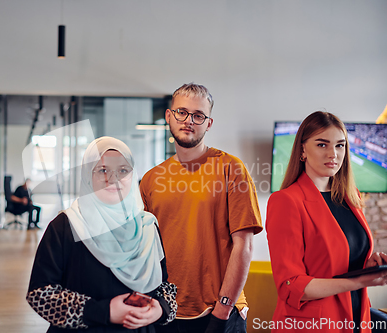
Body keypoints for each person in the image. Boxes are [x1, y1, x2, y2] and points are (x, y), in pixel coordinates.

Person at [140, 83, 263, 333]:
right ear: (169, 116)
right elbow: (148, 248)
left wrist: (223, 309)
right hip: (165, 310)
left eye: (198, 115)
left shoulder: (231, 168)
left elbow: (244, 245)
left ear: (208, 123)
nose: (189, 121)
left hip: (218, 313)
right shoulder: (151, 179)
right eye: (182, 112)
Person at [27, 137, 177, 332]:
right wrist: (102, 311)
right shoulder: (66, 225)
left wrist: (160, 309)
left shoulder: (147, 226)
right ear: (89, 176)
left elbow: (164, 286)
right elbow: (40, 295)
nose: (113, 178)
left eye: (123, 170)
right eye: (103, 170)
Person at [266, 111, 387, 333]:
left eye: (340, 145)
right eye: (322, 145)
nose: (333, 154)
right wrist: (361, 281)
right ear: (302, 150)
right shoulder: (286, 201)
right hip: (314, 325)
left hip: (357, 317)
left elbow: (338, 263)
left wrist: (366, 268)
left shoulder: (352, 197)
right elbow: (290, 286)